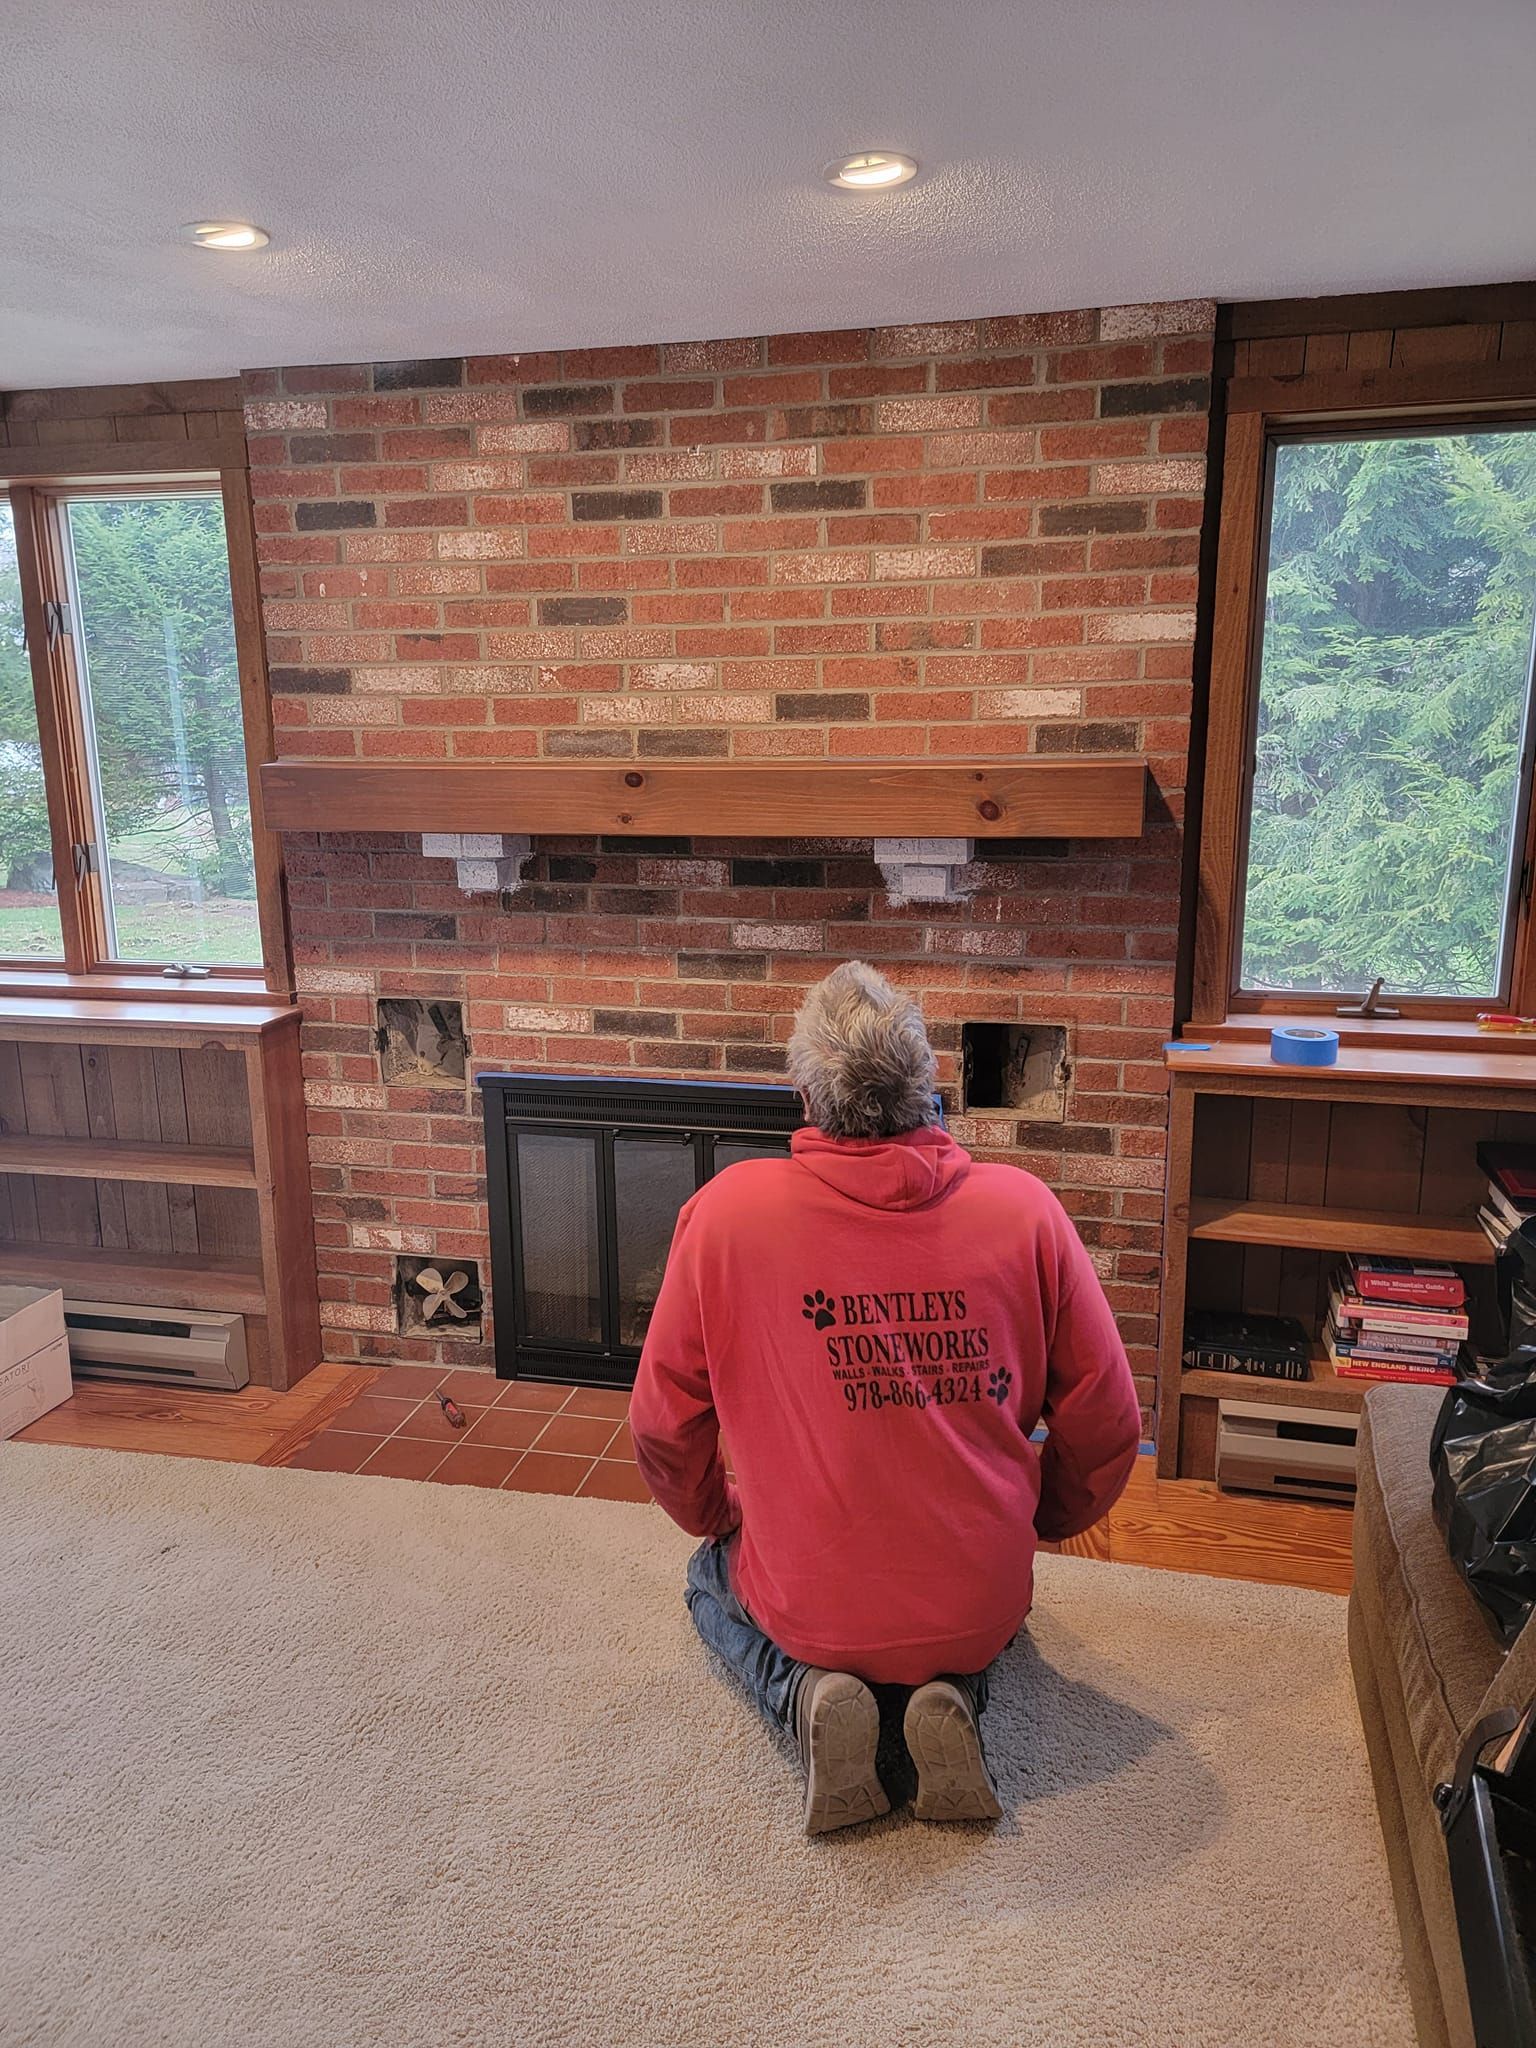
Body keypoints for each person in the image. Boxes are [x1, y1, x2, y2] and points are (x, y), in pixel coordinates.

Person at [629, 961, 1142, 1835]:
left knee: (707, 1578)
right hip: (978, 1598)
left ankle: (808, 1695)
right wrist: (1035, 1520)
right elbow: (1110, 1422)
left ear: (806, 1093)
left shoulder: (724, 1214)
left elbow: (661, 1423)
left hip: (809, 1603)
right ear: (925, 1088)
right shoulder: (1027, 1212)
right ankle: (951, 1696)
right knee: (963, 1612)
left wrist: (719, 1516)